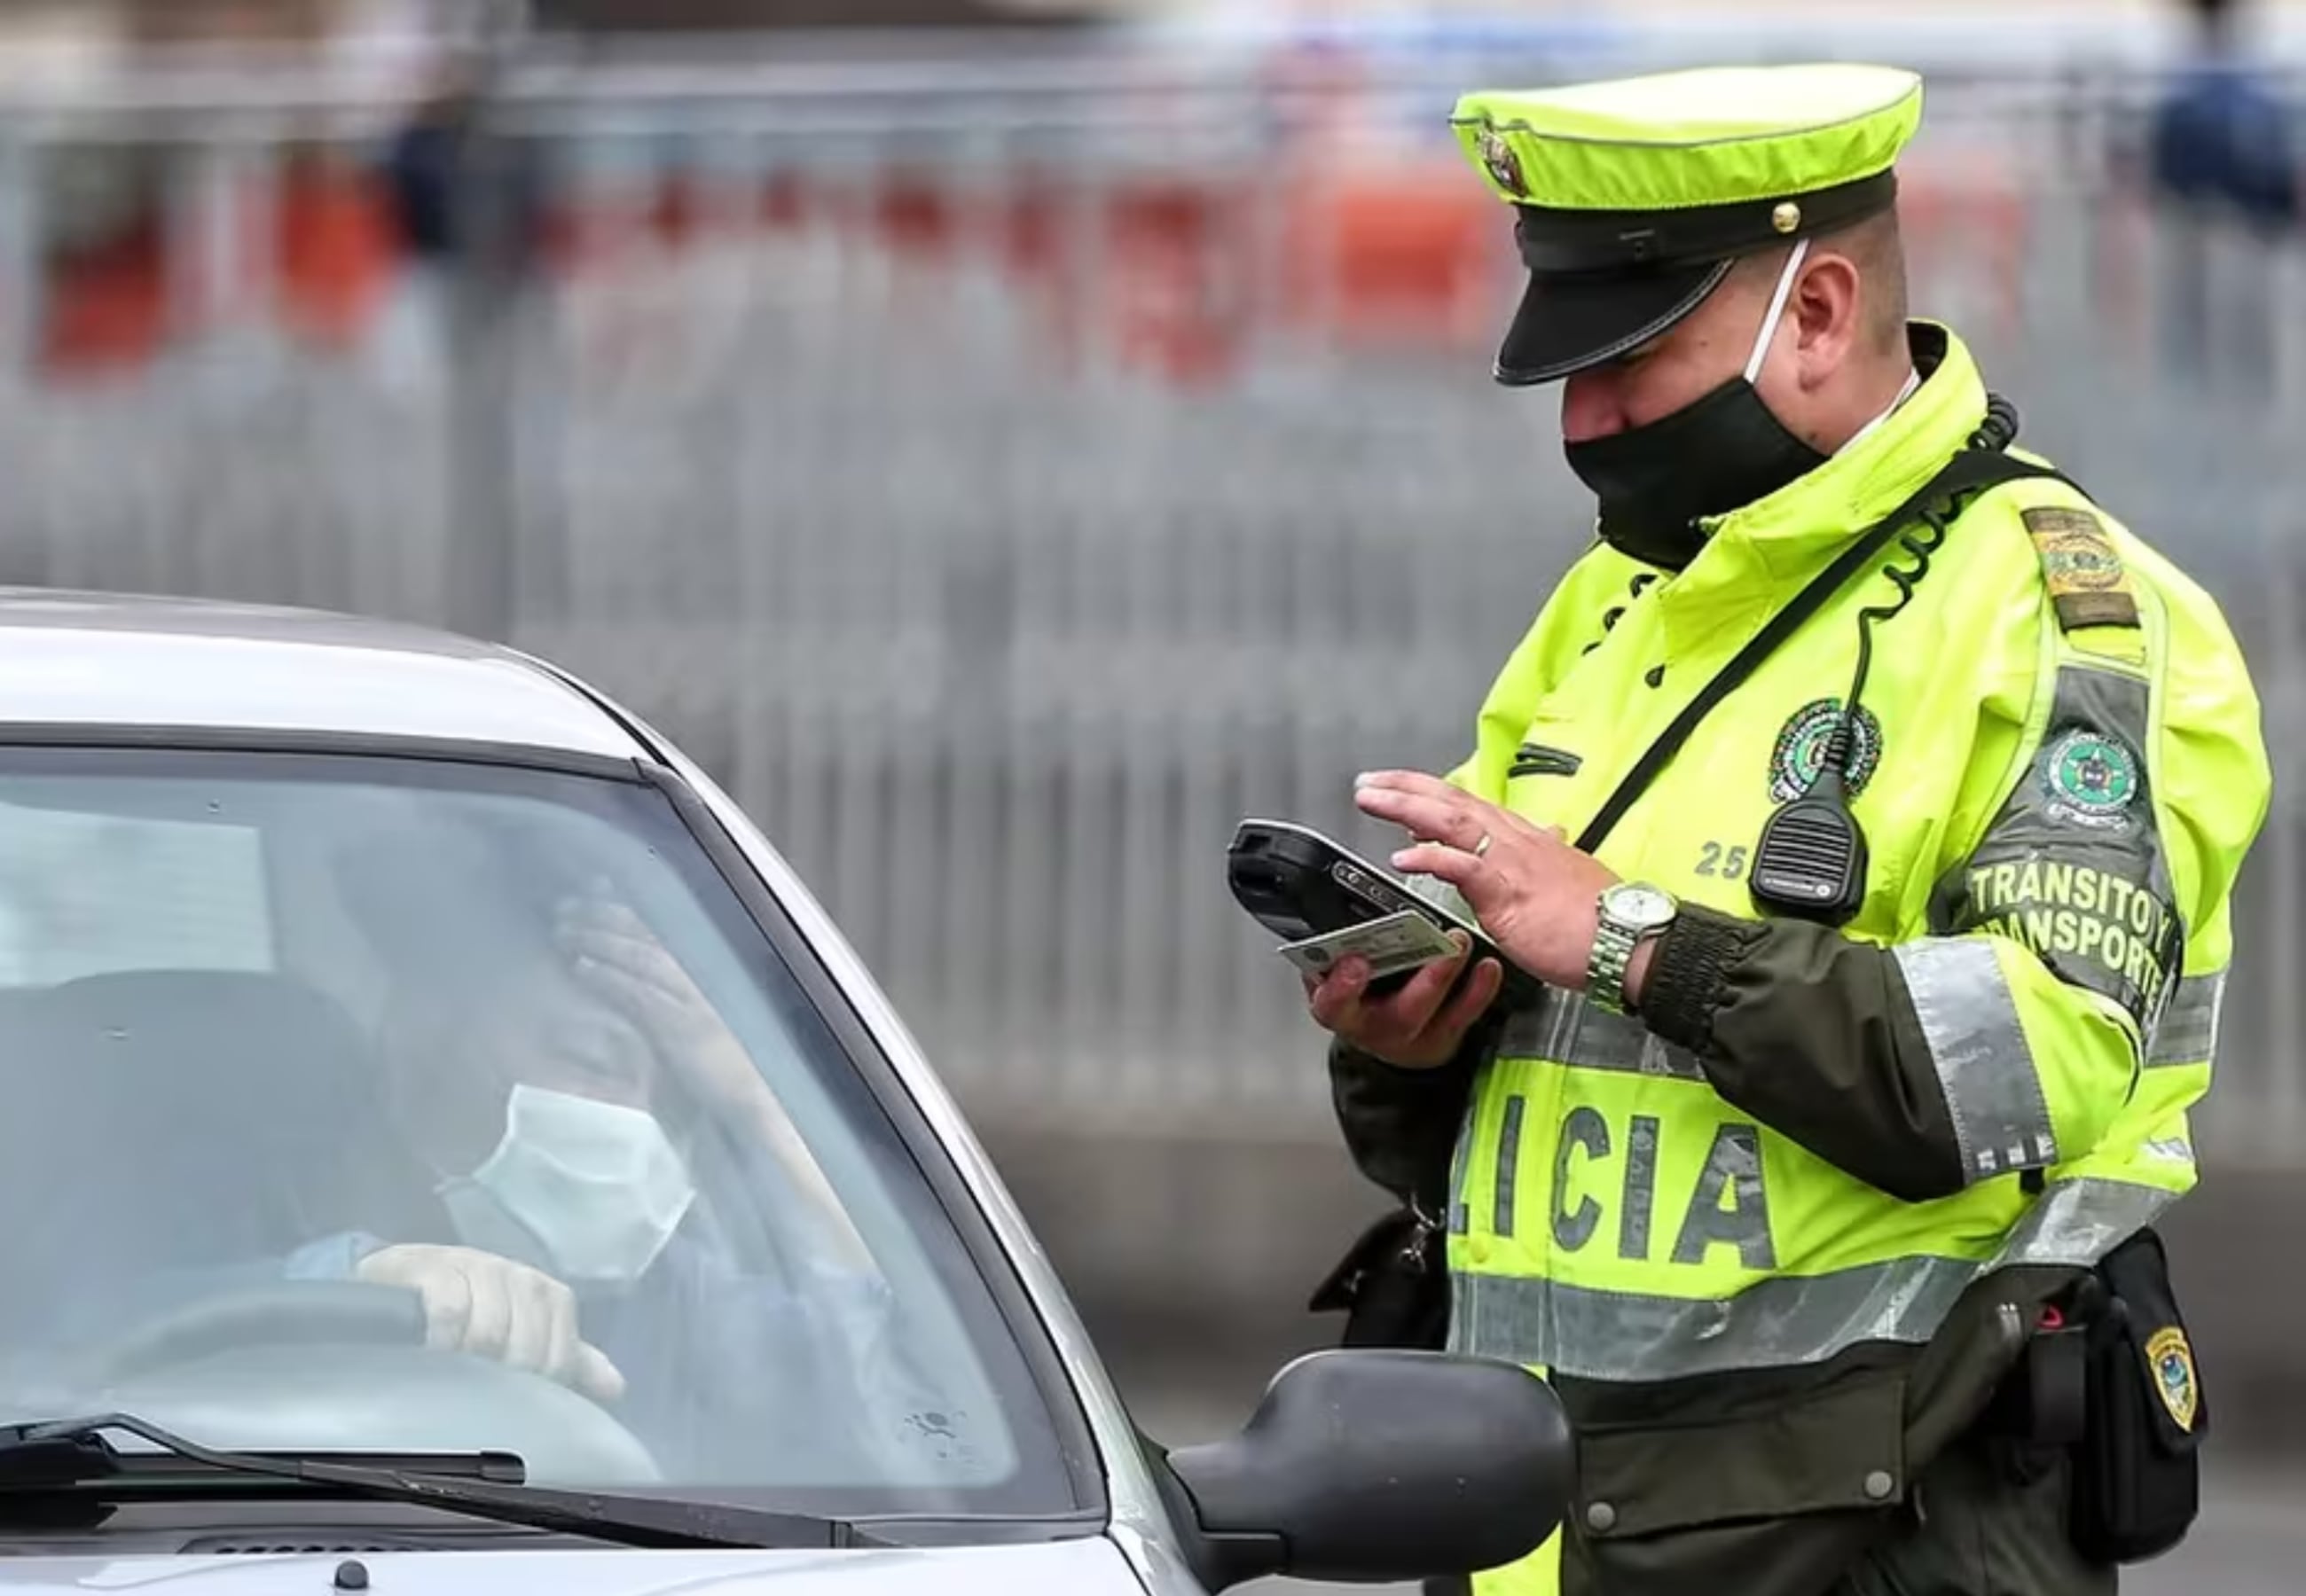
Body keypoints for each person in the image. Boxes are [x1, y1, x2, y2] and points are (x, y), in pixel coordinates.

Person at [1301, 63, 2271, 1596]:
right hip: (1539, 1525)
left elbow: (2038, 1060)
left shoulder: (2066, 616)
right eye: (1565, 367)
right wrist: (1409, 1041)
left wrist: (1630, 937)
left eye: (1630, 356)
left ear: (1815, 312)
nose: (1587, 416)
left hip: (1867, 1536)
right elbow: (1537, 1081)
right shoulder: (1622, 597)